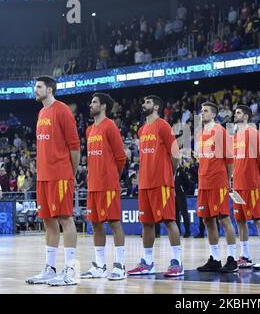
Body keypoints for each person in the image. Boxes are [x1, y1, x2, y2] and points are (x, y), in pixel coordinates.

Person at [26, 75, 80, 286]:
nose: (35, 90)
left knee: (65, 219)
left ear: (49, 89)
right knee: (48, 221)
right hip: (44, 175)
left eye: (38, 87)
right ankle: (50, 268)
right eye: (35, 87)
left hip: (60, 174)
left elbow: (75, 146)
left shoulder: (62, 110)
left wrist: (71, 173)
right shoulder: (41, 112)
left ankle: (70, 269)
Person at [127, 95, 184, 277]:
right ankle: (147, 262)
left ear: (157, 107)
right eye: (143, 102)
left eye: (148, 102)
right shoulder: (142, 130)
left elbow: (175, 155)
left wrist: (170, 173)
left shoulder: (163, 125)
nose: (144, 104)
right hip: (144, 183)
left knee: (169, 221)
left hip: (162, 182)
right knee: (147, 224)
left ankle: (177, 262)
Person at [80, 93, 127, 280]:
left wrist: (112, 176)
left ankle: (120, 265)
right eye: (91, 102)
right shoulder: (89, 130)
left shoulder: (110, 126)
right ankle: (100, 266)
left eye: (94, 102)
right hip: (93, 185)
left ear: (104, 106)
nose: (90, 105)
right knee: (95, 224)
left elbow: (121, 157)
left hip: (108, 184)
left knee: (114, 222)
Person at [196, 101, 237, 273]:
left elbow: (229, 160)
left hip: (218, 181)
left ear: (213, 114)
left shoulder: (220, 131)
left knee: (223, 218)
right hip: (204, 181)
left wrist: (227, 179)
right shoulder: (201, 134)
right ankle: (215, 259)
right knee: (207, 220)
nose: (202, 114)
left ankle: (232, 259)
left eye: (205, 111)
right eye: (201, 111)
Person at [232, 105, 260, 270]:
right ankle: (245, 256)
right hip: (237, 185)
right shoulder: (235, 137)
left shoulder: (253, 133)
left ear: (247, 116)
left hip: (251, 184)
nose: (236, 114)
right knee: (240, 220)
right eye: (235, 112)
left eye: (239, 112)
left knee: (257, 219)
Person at [174, 165, 192, 238]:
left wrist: (183, 191)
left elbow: (189, 183)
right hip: (173, 197)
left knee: (184, 214)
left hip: (180, 196)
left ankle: (187, 231)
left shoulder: (181, 172)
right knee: (175, 215)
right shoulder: (171, 172)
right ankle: (177, 231)